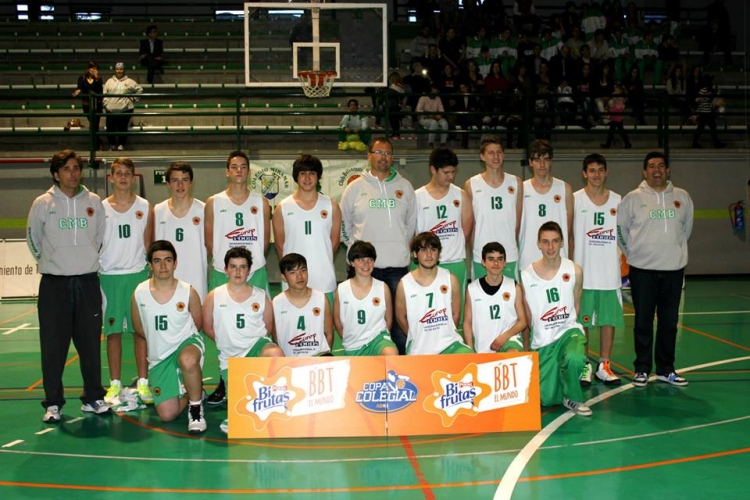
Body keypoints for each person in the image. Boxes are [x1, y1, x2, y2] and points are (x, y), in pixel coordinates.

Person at [27, 149, 110, 423]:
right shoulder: (43, 203)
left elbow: (99, 238)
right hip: (54, 285)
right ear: (56, 174)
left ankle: (93, 397)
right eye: (66, 169)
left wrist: (83, 260)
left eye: (76, 168)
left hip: (87, 282)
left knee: (90, 344)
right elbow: (33, 238)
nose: (73, 173)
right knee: (53, 347)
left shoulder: (94, 202)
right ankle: (53, 403)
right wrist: (51, 262)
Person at [617, 151, 694, 387]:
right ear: (644, 171)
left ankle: (665, 369)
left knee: (669, 323)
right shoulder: (632, 198)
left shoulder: (682, 197)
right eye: (651, 166)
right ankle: (641, 369)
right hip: (643, 271)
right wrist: (635, 255)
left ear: (667, 170)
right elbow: (621, 231)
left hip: (673, 271)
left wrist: (672, 252)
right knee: (643, 322)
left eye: (661, 166)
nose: (656, 170)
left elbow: (686, 230)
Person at [204, 150, 270, 405]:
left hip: (255, 271)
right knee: (222, 327)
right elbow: (210, 241)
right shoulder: (214, 202)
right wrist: (228, 267)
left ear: (249, 171)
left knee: (259, 327)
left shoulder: (261, 202)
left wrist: (249, 266)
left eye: (243, 166)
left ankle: (258, 378)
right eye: (234, 166)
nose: (239, 170)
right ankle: (224, 381)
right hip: (224, 272)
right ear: (227, 171)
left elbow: (265, 241)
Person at [340, 138, 417, 354]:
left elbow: (411, 224)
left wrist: (398, 246)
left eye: (387, 153)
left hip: (397, 268)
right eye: (378, 152)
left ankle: (399, 365)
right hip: (363, 270)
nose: (383, 157)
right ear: (369, 156)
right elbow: (344, 225)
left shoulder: (405, 187)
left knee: (399, 323)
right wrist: (357, 251)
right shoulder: (355, 188)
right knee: (362, 322)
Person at [202, 247, 284, 433]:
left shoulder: (260, 295)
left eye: (243, 267)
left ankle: (275, 405)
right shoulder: (214, 296)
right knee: (240, 410)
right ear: (226, 270)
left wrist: (250, 342)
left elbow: (268, 328)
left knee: (275, 353)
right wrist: (228, 342)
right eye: (233, 267)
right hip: (230, 358)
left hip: (256, 348)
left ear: (249, 270)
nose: (238, 271)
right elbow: (207, 327)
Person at [131, 240, 206, 433]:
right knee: (167, 415)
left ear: (175, 263)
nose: (163, 266)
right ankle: (193, 390)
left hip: (186, 345)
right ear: (150, 265)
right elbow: (139, 328)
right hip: (160, 358)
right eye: (157, 261)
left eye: (168, 260)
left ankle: (196, 409)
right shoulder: (139, 293)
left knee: (187, 359)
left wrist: (180, 341)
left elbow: (197, 324)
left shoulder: (188, 291)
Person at [100, 157, 154, 405]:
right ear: (111, 177)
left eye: (127, 173)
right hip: (109, 277)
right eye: (118, 173)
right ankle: (114, 384)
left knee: (139, 332)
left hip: (137, 275)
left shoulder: (144, 206)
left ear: (134, 177)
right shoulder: (101, 208)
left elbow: (148, 243)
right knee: (112, 333)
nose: (123, 177)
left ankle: (143, 383)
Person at [522, 221, 591, 416]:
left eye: (555, 241)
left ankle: (573, 397)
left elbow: (576, 304)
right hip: (543, 340)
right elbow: (528, 316)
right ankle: (560, 375)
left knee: (575, 357)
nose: (550, 247)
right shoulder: (526, 276)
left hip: (568, 331)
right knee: (547, 399)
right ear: (538, 244)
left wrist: (569, 324)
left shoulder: (575, 271)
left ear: (562, 243)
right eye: (545, 242)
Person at [571, 154, 623, 386]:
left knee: (607, 321)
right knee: (582, 323)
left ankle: (604, 365)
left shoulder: (618, 200)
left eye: (600, 170)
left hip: (609, 274)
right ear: (584, 173)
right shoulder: (575, 200)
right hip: (583, 273)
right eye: (592, 170)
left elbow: (623, 235)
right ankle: (585, 365)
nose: (596, 174)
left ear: (606, 172)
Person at [272, 154, 341, 302]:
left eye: (312, 173)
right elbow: (280, 245)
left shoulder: (332, 206)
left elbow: (334, 244)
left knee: (325, 318)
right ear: (296, 177)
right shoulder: (282, 208)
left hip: (323, 279)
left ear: (318, 176)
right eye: (303, 173)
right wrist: (292, 270)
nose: (307, 178)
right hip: (293, 284)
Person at [415, 147, 472, 320]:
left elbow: (466, 230)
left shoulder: (461, 195)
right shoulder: (417, 197)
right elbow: (412, 235)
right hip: (426, 264)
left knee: (456, 313)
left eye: (453, 172)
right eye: (446, 172)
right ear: (433, 169)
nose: (450, 177)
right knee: (428, 313)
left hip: (454, 262)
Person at [395, 232, 473, 355]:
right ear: (415, 254)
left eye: (433, 249)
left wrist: (445, 332)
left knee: (469, 358)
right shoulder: (404, 284)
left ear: (439, 253)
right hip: (419, 348)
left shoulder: (450, 279)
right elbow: (400, 317)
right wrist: (416, 335)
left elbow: (456, 313)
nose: (429, 255)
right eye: (423, 250)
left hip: (449, 344)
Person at [465, 135, 522, 281]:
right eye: (491, 153)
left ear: (504, 155)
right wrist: (475, 252)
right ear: (482, 156)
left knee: (510, 295)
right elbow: (471, 225)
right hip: (481, 255)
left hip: (508, 254)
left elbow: (517, 224)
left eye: (499, 152)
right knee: (481, 295)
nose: (496, 157)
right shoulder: (471, 184)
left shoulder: (516, 183)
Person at [153, 161, 207, 301]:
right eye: (175, 180)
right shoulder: (158, 211)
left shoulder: (203, 210)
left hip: (196, 280)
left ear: (191, 183)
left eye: (185, 180)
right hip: (166, 282)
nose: (180, 185)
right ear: (168, 184)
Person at [334, 241, 399, 356]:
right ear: (352, 262)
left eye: (370, 260)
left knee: (391, 353)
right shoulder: (342, 289)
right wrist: (348, 338)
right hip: (353, 345)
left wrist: (383, 337)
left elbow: (388, 320)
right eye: (360, 260)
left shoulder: (383, 287)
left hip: (377, 340)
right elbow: (337, 320)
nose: (366, 264)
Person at [518, 140, 573, 272]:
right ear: (530, 162)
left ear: (551, 162)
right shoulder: (521, 189)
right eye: (537, 160)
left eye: (546, 159)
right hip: (528, 258)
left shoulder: (565, 188)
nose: (542, 164)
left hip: (558, 259)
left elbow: (569, 230)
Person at [463, 242, 527, 353]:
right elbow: (467, 323)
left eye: (500, 259)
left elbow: (522, 321)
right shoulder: (472, 289)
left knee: (513, 353)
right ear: (483, 262)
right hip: (483, 347)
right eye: (491, 259)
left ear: (505, 262)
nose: (496, 263)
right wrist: (470, 349)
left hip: (508, 340)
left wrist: (504, 337)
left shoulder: (514, 287)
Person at [272, 253, 333, 357]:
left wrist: (323, 357)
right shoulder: (276, 303)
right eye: (292, 272)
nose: (299, 276)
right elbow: (276, 338)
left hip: (318, 358)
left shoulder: (321, 299)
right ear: (283, 277)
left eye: (303, 270)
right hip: (289, 360)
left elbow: (329, 334)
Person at [102, 62, 143, 151]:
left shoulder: (130, 81)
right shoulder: (109, 81)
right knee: (110, 129)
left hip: (125, 109)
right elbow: (104, 93)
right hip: (111, 110)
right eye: (117, 69)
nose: (119, 71)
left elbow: (139, 89)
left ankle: (121, 145)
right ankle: (112, 145)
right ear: (115, 70)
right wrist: (106, 104)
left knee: (122, 128)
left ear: (124, 70)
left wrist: (134, 98)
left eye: (121, 69)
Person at [72, 61, 103, 149]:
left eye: (95, 69)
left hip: (97, 105)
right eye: (92, 68)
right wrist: (78, 91)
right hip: (87, 105)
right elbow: (80, 88)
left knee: (95, 124)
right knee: (93, 124)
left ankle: (96, 145)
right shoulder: (82, 78)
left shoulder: (99, 79)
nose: (93, 70)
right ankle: (97, 143)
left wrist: (96, 78)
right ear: (88, 69)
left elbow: (99, 89)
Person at [691, 75, 727, 149]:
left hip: (707, 112)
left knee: (709, 127)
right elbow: (697, 99)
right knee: (704, 128)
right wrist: (707, 95)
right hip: (703, 112)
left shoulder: (708, 90)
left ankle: (715, 142)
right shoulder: (704, 90)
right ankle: (696, 142)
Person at [416, 83, 449, 148]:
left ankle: (443, 143)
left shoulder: (438, 98)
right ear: (432, 89)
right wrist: (427, 114)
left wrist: (439, 115)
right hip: (425, 118)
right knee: (434, 123)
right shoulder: (423, 98)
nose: (438, 91)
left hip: (436, 117)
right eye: (436, 89)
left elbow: (441, 109)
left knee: (444, 123)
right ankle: (430, 142)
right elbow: (418, 110)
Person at [600, 83, 632, 149]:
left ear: (620, 91)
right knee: (614, 130)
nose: (615, 91)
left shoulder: (620, 97)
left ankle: (627, 143)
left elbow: (614, 96)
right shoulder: (617, 97)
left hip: (618, 117)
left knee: (618, 130)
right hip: (615, 116)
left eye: (616, 90)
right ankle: (609, 144)